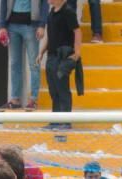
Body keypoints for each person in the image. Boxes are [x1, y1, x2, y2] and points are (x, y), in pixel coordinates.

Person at [0, 0, 49, 111]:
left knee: (34, 63)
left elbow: (45, 3)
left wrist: (42, 24)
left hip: (31, 25)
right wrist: (2, 25)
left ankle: (33, 100)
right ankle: (15, 100)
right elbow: (3, 3)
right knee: (14, 64)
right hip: (12, 25)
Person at [39, 0, 81, 130]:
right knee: (54, 90)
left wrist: (77, 52)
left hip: (63, 56)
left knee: (62, 89)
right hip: (51, 56)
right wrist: (41, 52)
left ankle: (66, 121)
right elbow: (49, 35)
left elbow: (77, 31)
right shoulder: (51, 12)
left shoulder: (68, 12)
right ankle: (55, 120)